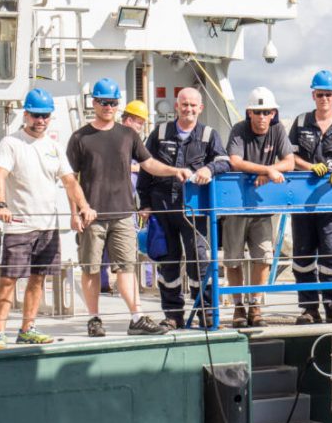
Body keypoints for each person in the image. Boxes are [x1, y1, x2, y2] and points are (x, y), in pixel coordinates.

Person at [66, 77, 191, 337]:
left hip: (123, 213)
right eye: (103, 102)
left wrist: (174, 170)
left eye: (112, 103)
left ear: (117, 105)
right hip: (92, 215)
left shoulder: (128, 135)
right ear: (94, 103)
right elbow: (70, 179)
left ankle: (136, 317)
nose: (108, 107)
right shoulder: (80, 138)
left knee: (127, 267)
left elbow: (149, 164)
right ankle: (93, 319)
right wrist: (74, 212)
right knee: (90, 268)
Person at [0, 89, 97, 349]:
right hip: (20, 226)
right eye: (36, 115)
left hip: (48, 227)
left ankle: (28, 328)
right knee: (7, 280)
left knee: (38, 279)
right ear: (25, 114)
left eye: (45, 116)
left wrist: (84, 206)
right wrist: (1, 205)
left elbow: (70, 181)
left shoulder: (54, 147)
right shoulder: (11, 143)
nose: (41, 121)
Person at [137, 87, 229, 329]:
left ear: (201, 108)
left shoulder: (209, 135)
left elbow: (223, 161)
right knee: (168, 262)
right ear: (176, 106)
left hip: (195, 210)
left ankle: (206, 313)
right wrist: (145, 204)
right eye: (184, 104)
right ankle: (173, 315)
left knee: (200, 260)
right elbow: (147, 168)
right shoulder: (160, 133)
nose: (188, 109)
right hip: (163, 207)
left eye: (193, 105)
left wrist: (209, 169)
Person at [224, 86, 295, 328]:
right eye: (258, 112)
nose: (263, 117)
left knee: (263, 257)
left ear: (273, 113)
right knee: (232, 259)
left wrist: (271, 170)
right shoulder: (239, 130)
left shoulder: (277, 130)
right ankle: (238, 308)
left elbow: (290, 161)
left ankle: (255, 306)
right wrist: (267, 169)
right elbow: (234, 162)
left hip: (262, 207)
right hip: (235, 206)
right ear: (249, 113)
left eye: (267, 112)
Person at [288, 70, 332, 325]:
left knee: (331, 256)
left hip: (331, 202)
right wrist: (309, 167)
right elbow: (289, 157)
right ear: (313, 95)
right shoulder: (300, 123)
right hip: (303, 202)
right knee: (302, 256)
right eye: (320, 94)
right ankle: (309, 309)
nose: (324, 99)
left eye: (329, 94)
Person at [100, 99, 148, 293]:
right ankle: (107, 283)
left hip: (130, 201)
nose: (141, 127)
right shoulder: (117, 138)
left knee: (132, 242)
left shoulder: (132, 141)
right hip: (112, 201)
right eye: (140, 122)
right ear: (129, 120)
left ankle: (141, 282)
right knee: (116, 244)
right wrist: (139, 167)